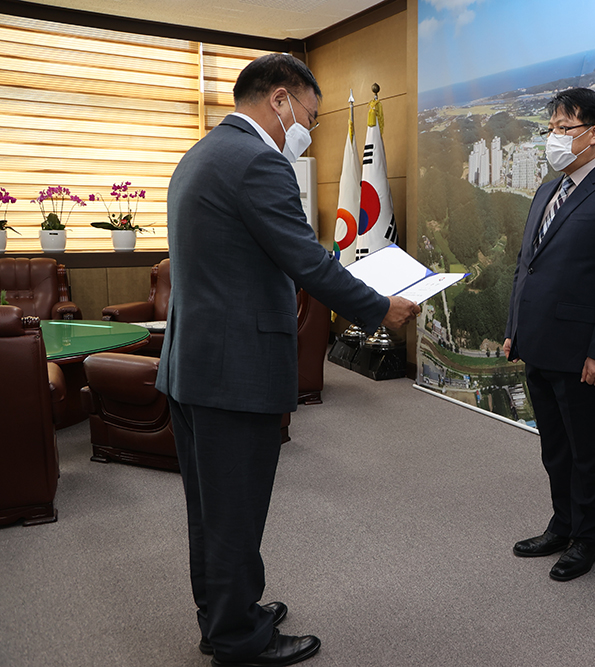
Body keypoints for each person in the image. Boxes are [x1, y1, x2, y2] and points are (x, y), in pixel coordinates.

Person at [156, 53, 419, 667]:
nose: (310, 128)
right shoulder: (258, 162)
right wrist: (381, 308)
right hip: (233, 370)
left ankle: (227, 614)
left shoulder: (204, 152)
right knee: (235, 512)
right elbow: (307, 260)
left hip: (195, 364)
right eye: (310, 115)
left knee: (213, 509)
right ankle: (237, 639)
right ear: (279, 99)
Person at [503, 88, 595, 582]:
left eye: (564, 129)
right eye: (551, 129)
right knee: (554, 447)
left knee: (586, 452)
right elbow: (527, 265)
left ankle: (588, 538)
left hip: (583, 351)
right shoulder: (547, 189)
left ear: (594, 134)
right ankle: (561, 524)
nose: (554, 138)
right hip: (538, 343)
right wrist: (513, 329)